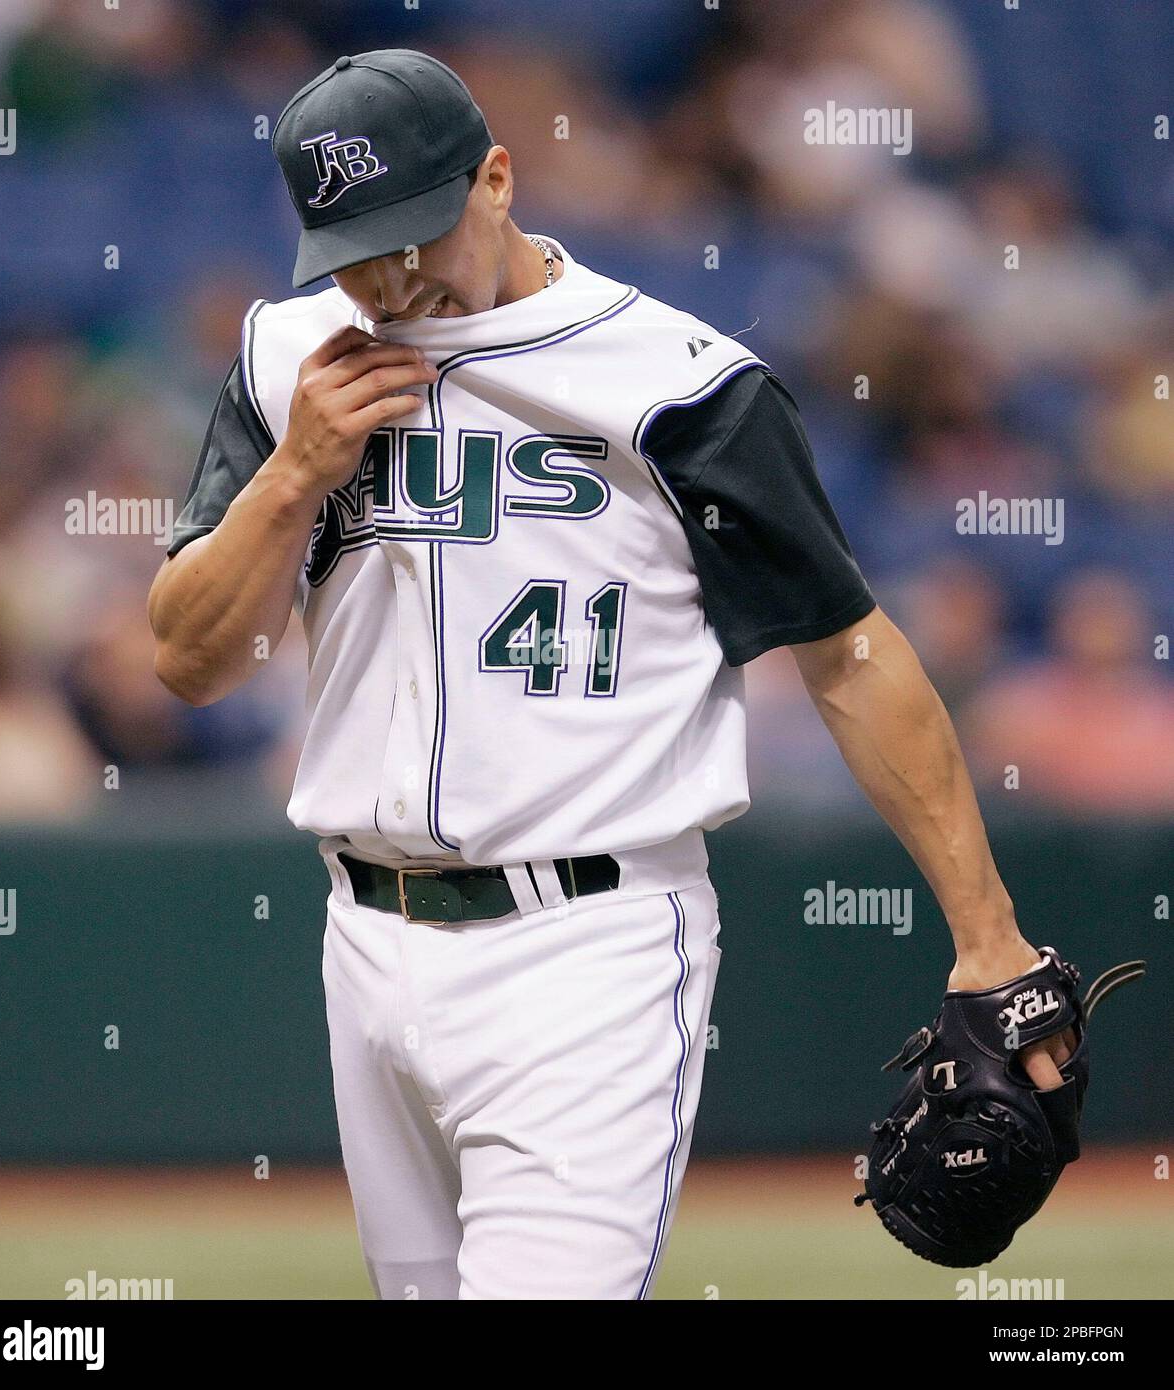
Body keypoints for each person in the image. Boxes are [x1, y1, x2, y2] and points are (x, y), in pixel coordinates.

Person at [148, 49, 1068, 1300]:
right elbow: (188, 657)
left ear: (498, 179)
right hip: (363, 942)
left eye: (415, 233)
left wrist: (989, 936)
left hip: (590, 949)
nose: (391, 277)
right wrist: (293, 471)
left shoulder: (682, 387)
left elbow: (850, 652)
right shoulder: (291, 363)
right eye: (356, 248)